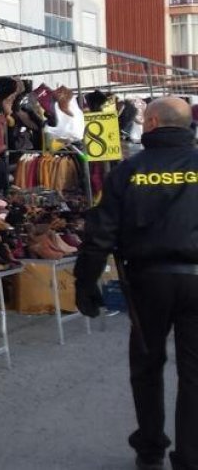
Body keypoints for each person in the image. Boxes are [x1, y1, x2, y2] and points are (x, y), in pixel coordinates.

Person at [75, 96, 198, 470]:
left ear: (155, 122)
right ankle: (190, 459)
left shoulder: (128, 171)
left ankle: (150, 450)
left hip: (147, 282)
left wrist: (85, 283)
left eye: (145, 119)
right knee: (195, 374)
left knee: (146, 367)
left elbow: (100, 233)